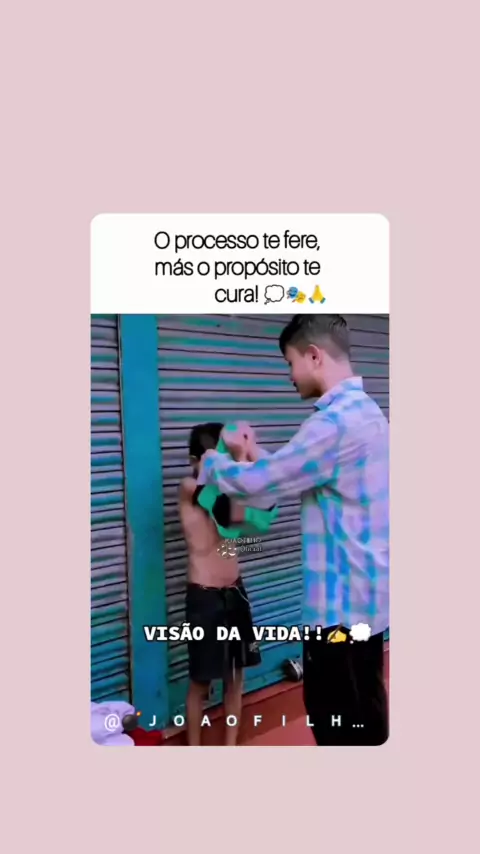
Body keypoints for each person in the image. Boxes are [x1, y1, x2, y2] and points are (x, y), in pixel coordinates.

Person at [201, 315, 389, 746]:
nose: (289, 376)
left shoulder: (333, 424)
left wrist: (214, 461)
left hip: (338, 614)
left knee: (338, 725)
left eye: (290, 363)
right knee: (366, 714)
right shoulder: (368, 414)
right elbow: (299, 471)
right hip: (367, 605)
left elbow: (260, 485)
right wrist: (253, 454)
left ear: (314, 356)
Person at [178, 422, 261, 746]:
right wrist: (236, 464)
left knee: (235, 677)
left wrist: (244, 457)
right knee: (201, 682)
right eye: (212, 457)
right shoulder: (189, 487)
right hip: (204, 598)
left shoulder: (232, 487)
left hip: (235, 592)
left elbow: (246, 510)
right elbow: (224, 510)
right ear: (194, 460)